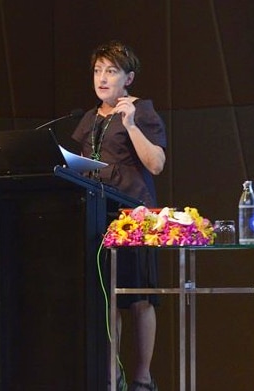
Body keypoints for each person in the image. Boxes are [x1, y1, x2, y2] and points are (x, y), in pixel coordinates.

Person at [71, 41, 166, 391]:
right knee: (106, 296)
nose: (102, 78)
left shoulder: (141, 111)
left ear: (129, 78)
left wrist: (132, 125)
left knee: (138, 296)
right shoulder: (89, 117)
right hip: (97, 214)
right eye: (97, 70)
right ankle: (113, 377)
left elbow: (156, 164)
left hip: (133, 215)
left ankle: (142, 378)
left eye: (110, 71)